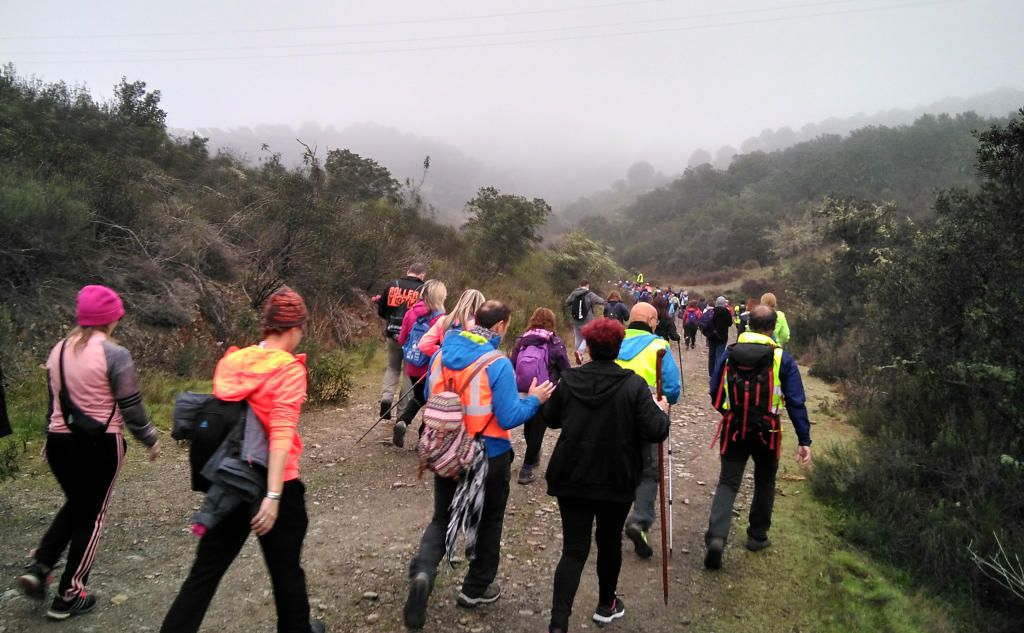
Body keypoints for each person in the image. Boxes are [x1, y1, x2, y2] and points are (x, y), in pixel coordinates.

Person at [161, 287, 325, 633]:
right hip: (274, 481)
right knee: (286, 571)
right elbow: (281, 432)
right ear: (296, 328)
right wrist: (273, 495)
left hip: (230, 478)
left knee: (205, 572)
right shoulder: (289, 369)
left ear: (267, 325)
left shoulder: (233, 361)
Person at [404, 301, 556, 630]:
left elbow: (430, 395)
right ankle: (476, 588)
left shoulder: (440, 355)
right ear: (499, 327)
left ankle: (424, 571)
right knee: (489, 520)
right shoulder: (496, 363)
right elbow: (510, 416)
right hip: (489, 455)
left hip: (446, 450)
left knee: (442, 517)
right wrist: (535, 399)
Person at [18, 285, 161, 620]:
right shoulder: (115, 354)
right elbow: (131, 406)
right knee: (91, 515)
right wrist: (150, 438)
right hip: (100, 445)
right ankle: (69, 594)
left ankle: (40, 566)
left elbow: (54, 403)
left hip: (59, 443)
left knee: (77, 504)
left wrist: (47, 438)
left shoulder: (58, 350)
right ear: (110, 319)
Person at [542, 319, 670, 633]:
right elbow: (657, 430)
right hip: (616, 477)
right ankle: (606, 605)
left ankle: (558, 623)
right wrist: (661, 410)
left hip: (572, 474)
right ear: (618, 348)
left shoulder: (569, 380)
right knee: (609, 541)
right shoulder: (634, 385)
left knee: (573, 550)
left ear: (588, 347)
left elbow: (552, 419)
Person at [704, 305, 812, 570]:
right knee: (765, 481)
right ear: (773, 327)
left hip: (734, 428)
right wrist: (804, 440)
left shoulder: (730, 353)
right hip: (768, 431)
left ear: (748, 324)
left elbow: (715, 390)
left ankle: (717, 537)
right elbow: (796, 401)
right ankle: (757, 536)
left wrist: (728, 413)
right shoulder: (782, 358)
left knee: (728, 481)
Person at [615, 302, 681, 559]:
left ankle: (612, 518)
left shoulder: (614, 341)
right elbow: (672, 389)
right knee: (649, 470)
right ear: (652, 321)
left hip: (614, 416)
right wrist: (666, 402)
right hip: (647, 416)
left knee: (617, 465)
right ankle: (639, 520)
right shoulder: (658, 346)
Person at [511, 307, 571, 485]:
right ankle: (527, 468)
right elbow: (566, 370)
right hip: (545, 391)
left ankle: (533, 456)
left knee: (529, 426)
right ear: (552, 322)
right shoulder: (555, 343)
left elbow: (513, 364)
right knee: (538, 429)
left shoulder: (521, 340)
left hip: (525, 389)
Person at [393, 280, 447, 448]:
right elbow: (444, 345)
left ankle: (403, 421)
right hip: (431, 367)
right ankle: (423, 437)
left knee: (418, 397)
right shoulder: (441, 318)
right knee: (432, 402)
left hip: (412, 364)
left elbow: (402, 339)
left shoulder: (410, 313)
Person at [376, 264, 427, 420]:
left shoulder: (392, 284)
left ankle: (386, 398)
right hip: (413, 339)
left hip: (392, 334)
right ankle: (402, 412)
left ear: (408, 272)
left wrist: (391, 321)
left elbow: (381, 309)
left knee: (392, 368)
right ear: (422, 275)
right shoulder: (423, 290)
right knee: (408, 373)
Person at [418, 289, 485, 359]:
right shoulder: (478, 326)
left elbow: (424, 345)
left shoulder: (444, 320)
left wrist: (444, 351)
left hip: (444, 363)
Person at [563, 281, 605, 365]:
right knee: (588, 337)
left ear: (579, 285)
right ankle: (579, 352)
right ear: (587, 285)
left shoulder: (574, 293)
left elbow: (567, 302)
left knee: (578, 337)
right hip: (587, 320)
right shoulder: (590, 294)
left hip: (575, 320)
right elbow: (601, 301)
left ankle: (579, 355)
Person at [705, 297, 733, 376]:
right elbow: (730, 323)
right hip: (722, 337)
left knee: (711, 355)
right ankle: (717, 374)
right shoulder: (726, 312)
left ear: (716, 303)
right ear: (724, 303)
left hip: (712, 336)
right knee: (719, 356)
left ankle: (711, 373)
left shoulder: (712, 311)